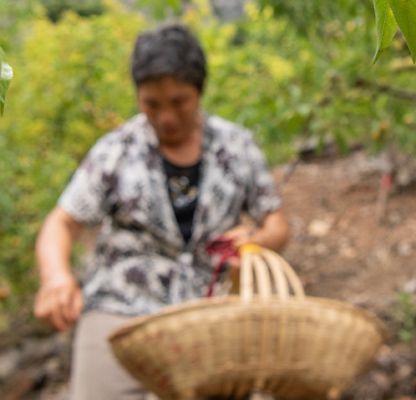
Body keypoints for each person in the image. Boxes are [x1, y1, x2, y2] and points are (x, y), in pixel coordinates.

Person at [34, 23, 290, 400]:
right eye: (152, 103)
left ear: (199, 92)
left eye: (179, 102)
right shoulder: (117, 151)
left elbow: (276, 221)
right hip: (121, 312)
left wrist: (257, 240)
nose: (166, 117)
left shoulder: (237, 147)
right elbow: (63, 221)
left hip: (209, 316)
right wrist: (56, 277)